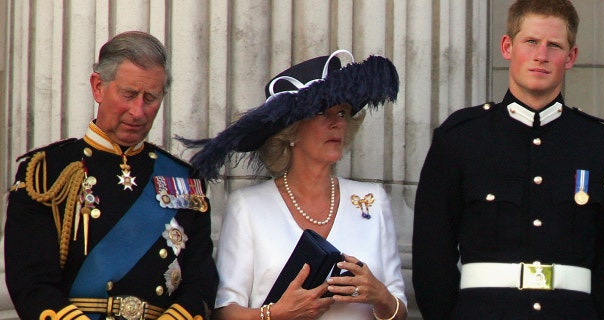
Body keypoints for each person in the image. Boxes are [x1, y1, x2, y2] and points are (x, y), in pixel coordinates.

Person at [412, 0, 604, 319]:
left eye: (554, 45)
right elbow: (432, 255)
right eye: (531, 41)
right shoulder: (461, 137)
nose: (541, 55)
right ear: (508, 46)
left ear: (571, 57)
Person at [4, 31, 218, 320]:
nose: (138, 111)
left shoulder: (183, 180)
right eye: (128, 94)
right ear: (98, 87)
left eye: (150, 98)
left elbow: (201, 284)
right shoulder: (47, 173)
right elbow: (30, 282)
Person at [178, 50, 407, 320]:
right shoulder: (249, 207)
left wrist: (380, 296)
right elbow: (224, 311)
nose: (337, 123)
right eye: (323, 112)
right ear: (291, 131)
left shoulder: (372, 199)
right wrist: (275, 314)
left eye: (343, 112)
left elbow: (399, 308)